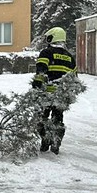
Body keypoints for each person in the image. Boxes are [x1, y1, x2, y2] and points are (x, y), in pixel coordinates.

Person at [33, 26, 77, 154]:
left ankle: (45, 141)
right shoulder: (70, 57)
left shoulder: (46, 53)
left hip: (46, 93)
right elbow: (74, 78)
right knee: (58, 119)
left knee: (41, 118)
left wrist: (36, 85)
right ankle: (56, 142)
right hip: (61, 95)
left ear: (52, 37)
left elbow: (41, 69)